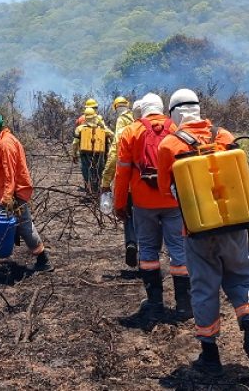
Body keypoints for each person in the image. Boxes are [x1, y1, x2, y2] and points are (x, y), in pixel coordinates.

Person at [156, 89, 249, 375]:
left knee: (205, 289)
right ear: (198, 108)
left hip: (197, 231)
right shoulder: (225, 136)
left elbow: (163, 190)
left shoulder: (169, 145)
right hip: (235, 227)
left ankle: (210, 355)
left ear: (175, 115)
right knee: (242, 280)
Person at [113, 93, 191, 324]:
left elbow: (122, 172)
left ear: (142, 110)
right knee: (179, 250)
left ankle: (155, 305)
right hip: (173, 201)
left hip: (143, 202)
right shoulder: (176, 127)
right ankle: (184, 306)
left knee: (147, 252)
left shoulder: (131, 131)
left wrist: (119, 204)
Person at [0, 113, 53, 272]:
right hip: (8, 193)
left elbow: (10, 175)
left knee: (23, 226)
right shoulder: (4, 140)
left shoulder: (5, 144)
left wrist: (7, 198)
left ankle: (43, 260)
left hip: (14, 194)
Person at [100, 96, 138, 267]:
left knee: (129, 214)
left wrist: (105, 180)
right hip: (152, 180)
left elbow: (116, 150)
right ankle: (148, 252)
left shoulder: (122, 122)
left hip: (130, 180)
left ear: (116, 108)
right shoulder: (141, 119)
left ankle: (131, 242)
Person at [72, 107, 113, 195]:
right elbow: (112, 135)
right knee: (100, 171)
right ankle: (100, 190)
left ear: (85, 117)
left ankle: (88, 189)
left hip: (84, 154)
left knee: (86, 170)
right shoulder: (102, 129)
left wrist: (74, 154)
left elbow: (75, 143)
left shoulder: (79, 128)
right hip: (99, 154)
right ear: (95, 116)